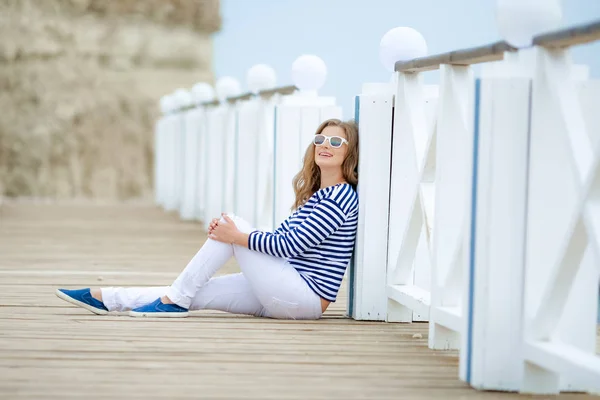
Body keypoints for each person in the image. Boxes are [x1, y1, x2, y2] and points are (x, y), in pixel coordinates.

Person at [56, 118, 359, 320]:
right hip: (285, 287)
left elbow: (287, 245)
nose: (325, 145)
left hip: (303, 297)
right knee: (192, 291)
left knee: (235, 224)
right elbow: (285, 243)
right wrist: (232, 236)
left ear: (349, 154)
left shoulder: (339, 197)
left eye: (336, 143)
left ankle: (174, 301)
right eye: (321, 139)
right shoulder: (320, 195)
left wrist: (234, 236)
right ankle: (106, 297)